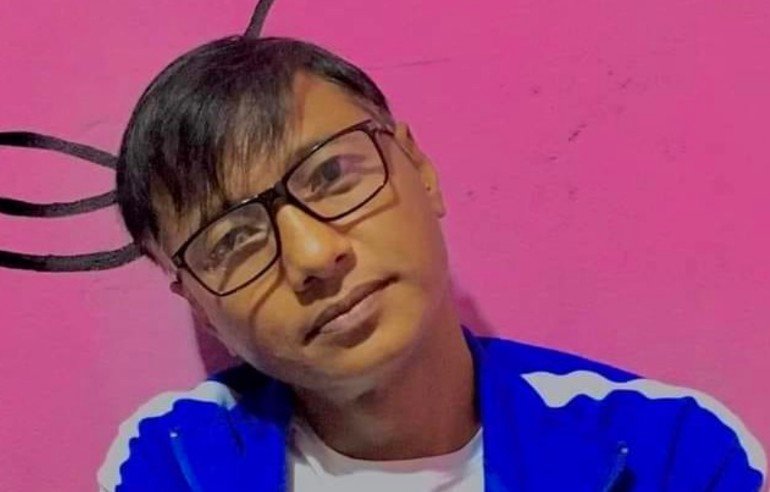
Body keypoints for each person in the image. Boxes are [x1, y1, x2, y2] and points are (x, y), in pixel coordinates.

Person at [97, 16, 766, 492]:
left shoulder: (667, 451)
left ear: (420, 169)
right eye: (233, 240)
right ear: (199, 305)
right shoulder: (172, 461)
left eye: (332, 175)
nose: (314, 254)